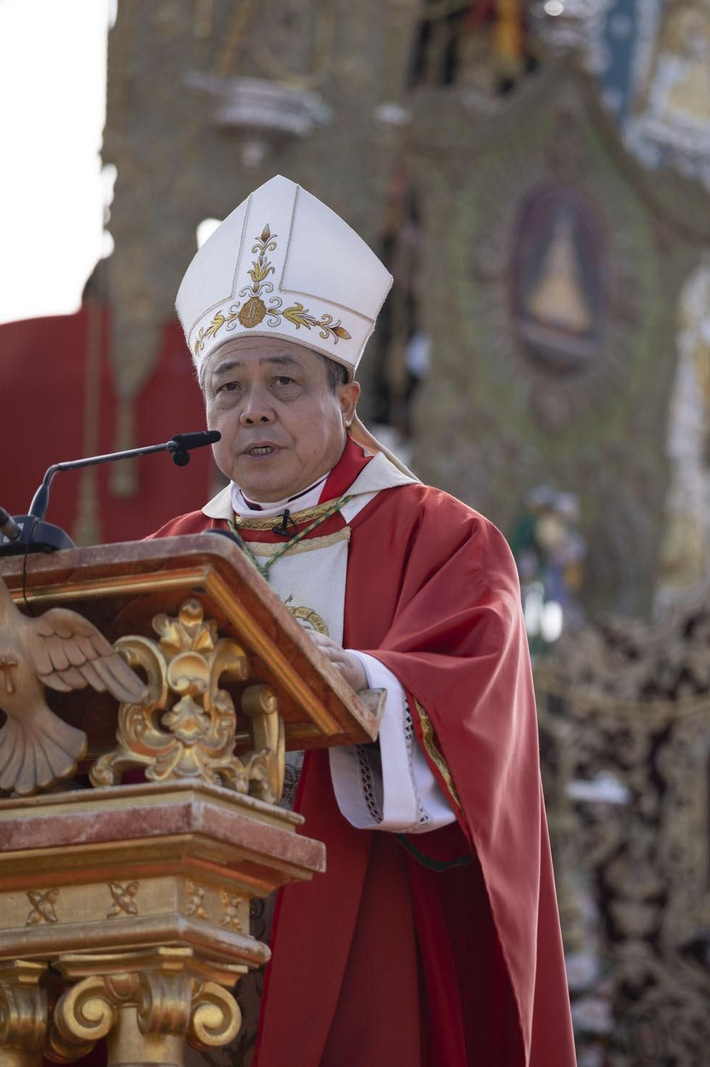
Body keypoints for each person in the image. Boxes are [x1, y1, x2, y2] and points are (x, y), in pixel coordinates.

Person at [152, 176, 575, 1067]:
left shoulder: (441, 536)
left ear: (345, 403)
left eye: (284, 381)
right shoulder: (172, 553)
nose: (252, 407)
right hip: (177, 929)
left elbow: (474, 690)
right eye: (229, 386)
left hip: (358, 909)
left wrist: (370, 687)